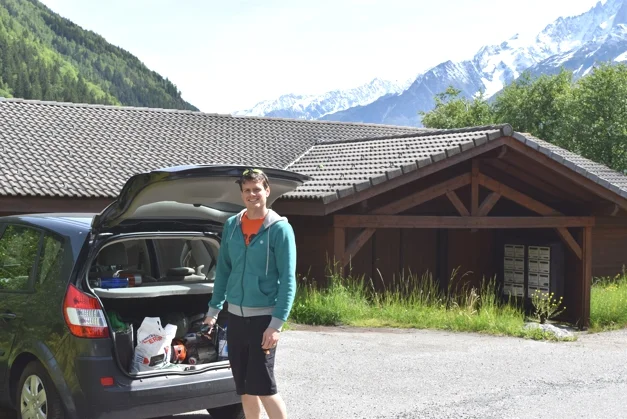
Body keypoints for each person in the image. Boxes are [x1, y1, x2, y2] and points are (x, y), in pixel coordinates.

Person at [204, 167, 297, 419]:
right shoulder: (232, 226)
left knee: (264, 387)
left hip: (263, 319)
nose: (252, 194)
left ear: (267, 191)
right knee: (244, 387)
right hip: (235, 318)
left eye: (257, 189)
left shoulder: (279, 229)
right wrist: (213, 310)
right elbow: (223, 271)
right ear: (241, 194)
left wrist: (276, 325)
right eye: (247, 190)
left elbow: (288, 280)